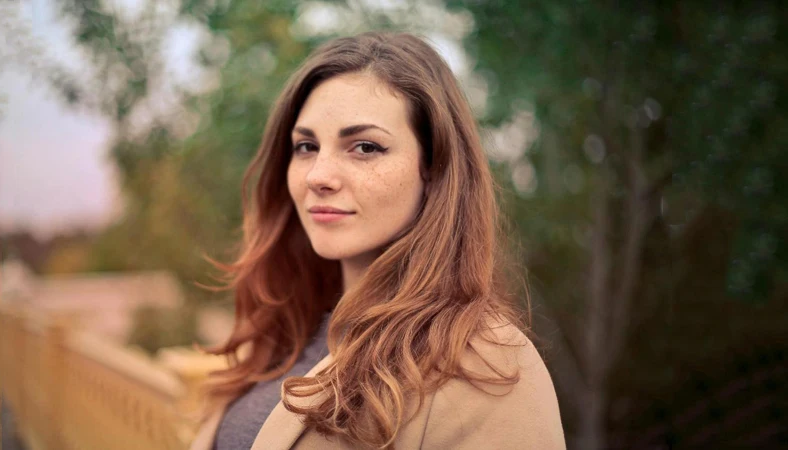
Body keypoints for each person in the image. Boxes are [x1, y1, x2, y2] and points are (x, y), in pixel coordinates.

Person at [190, 32, 565, 450]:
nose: (318, 175)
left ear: (433, 167)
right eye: (306, 146)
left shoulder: (486, 364)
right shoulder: (287, 331)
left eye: (365, 147)